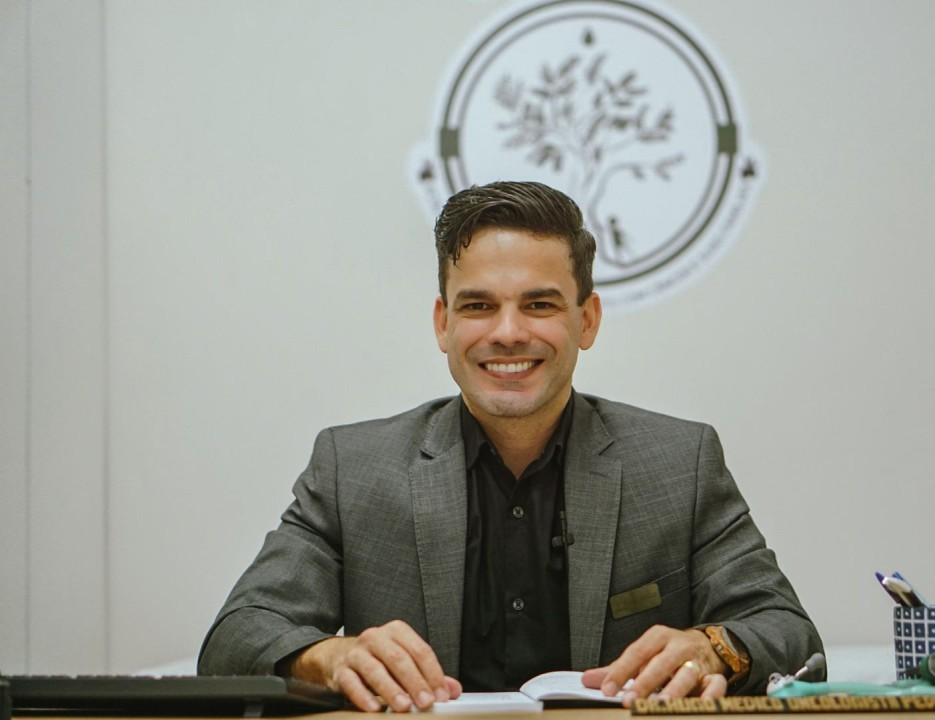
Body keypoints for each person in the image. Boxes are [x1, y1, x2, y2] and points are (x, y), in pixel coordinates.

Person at [198, 180, 823, 712]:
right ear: (443, 324)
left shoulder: (680, 463)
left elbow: (788, 633)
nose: (508, 332)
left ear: (587, 320)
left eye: (539, 304)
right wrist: (329, 657)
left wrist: (713, 649)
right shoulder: (352, 468)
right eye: (478, 305)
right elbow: (234, 638)